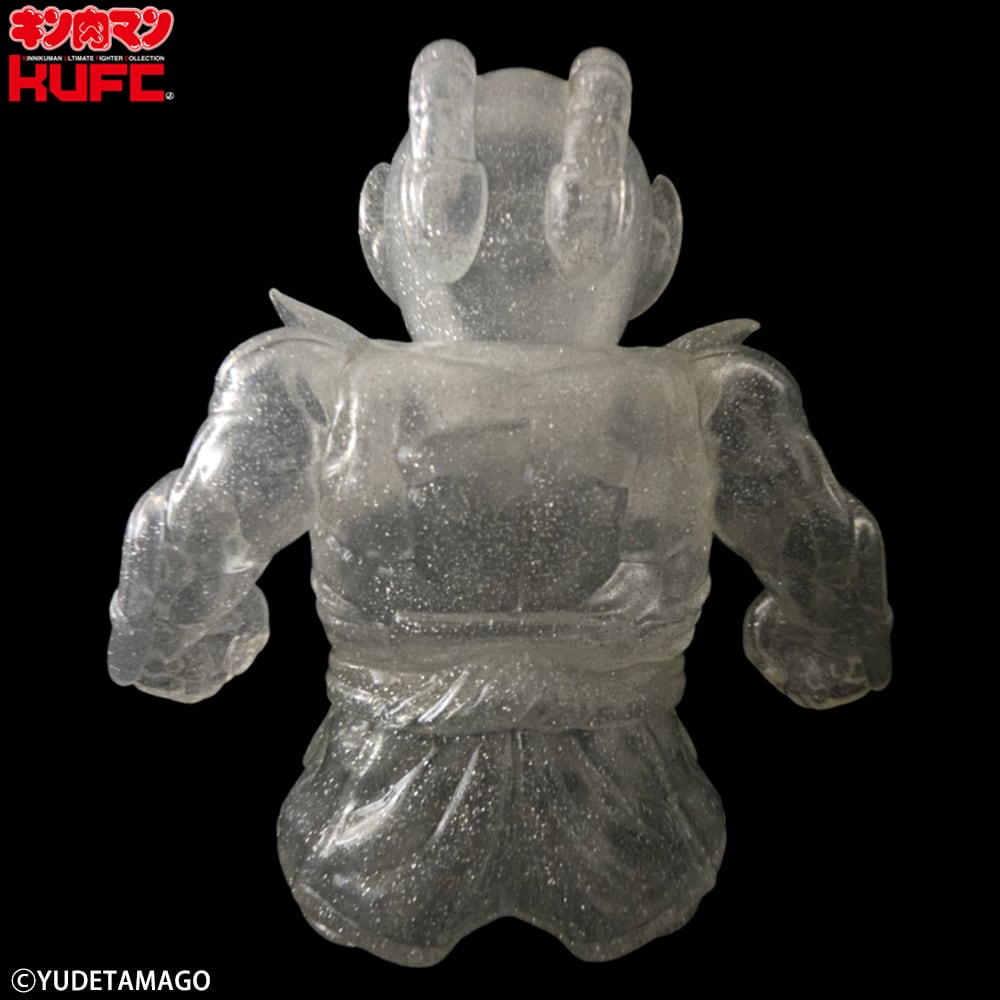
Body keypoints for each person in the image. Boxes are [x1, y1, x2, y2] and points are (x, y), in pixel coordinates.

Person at [109, 41, 891, 965]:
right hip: (635, 824)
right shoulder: (710, 399)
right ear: (658, 245)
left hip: (371, 821)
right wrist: (810, 645)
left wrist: (188, 645)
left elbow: (178, 577)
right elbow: (834, 590)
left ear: (378, 231)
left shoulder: (316, 387)